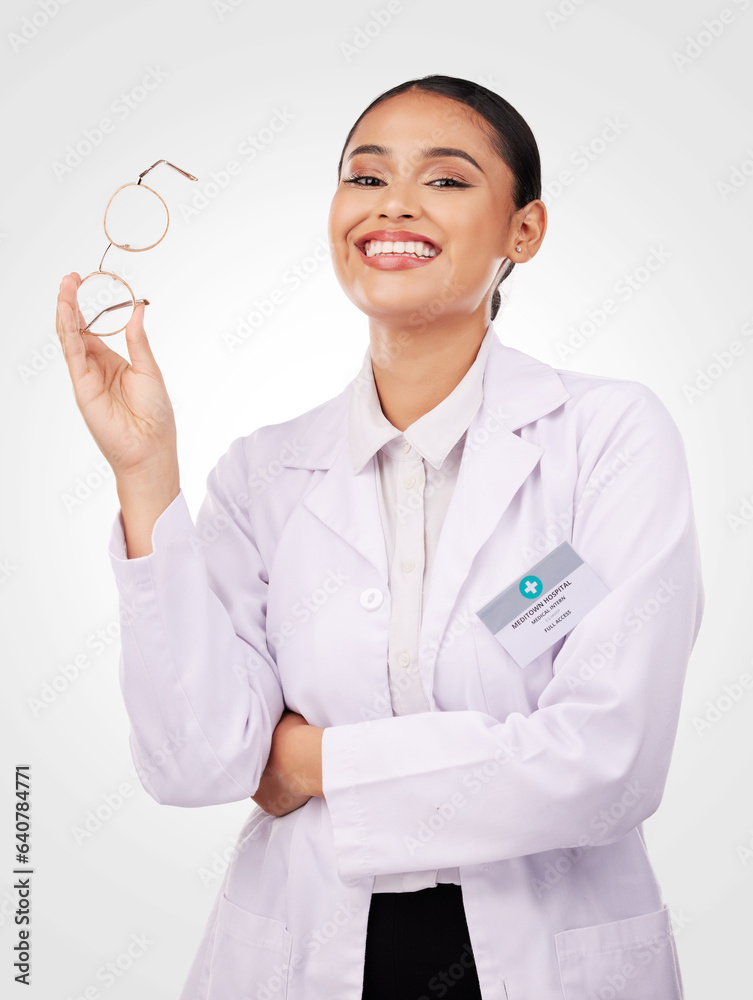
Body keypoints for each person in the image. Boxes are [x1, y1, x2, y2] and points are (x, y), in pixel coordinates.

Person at [55, 75, 704, 1000]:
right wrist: (144, 474)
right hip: (300, 955)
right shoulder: (264, 475)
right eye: (365, 179)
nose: (393, 203)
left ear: (524, 231)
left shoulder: (606, 438)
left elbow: (606, 763)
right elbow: (197, 761)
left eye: (444, 180)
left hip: (549, 957)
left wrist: (313, 761)